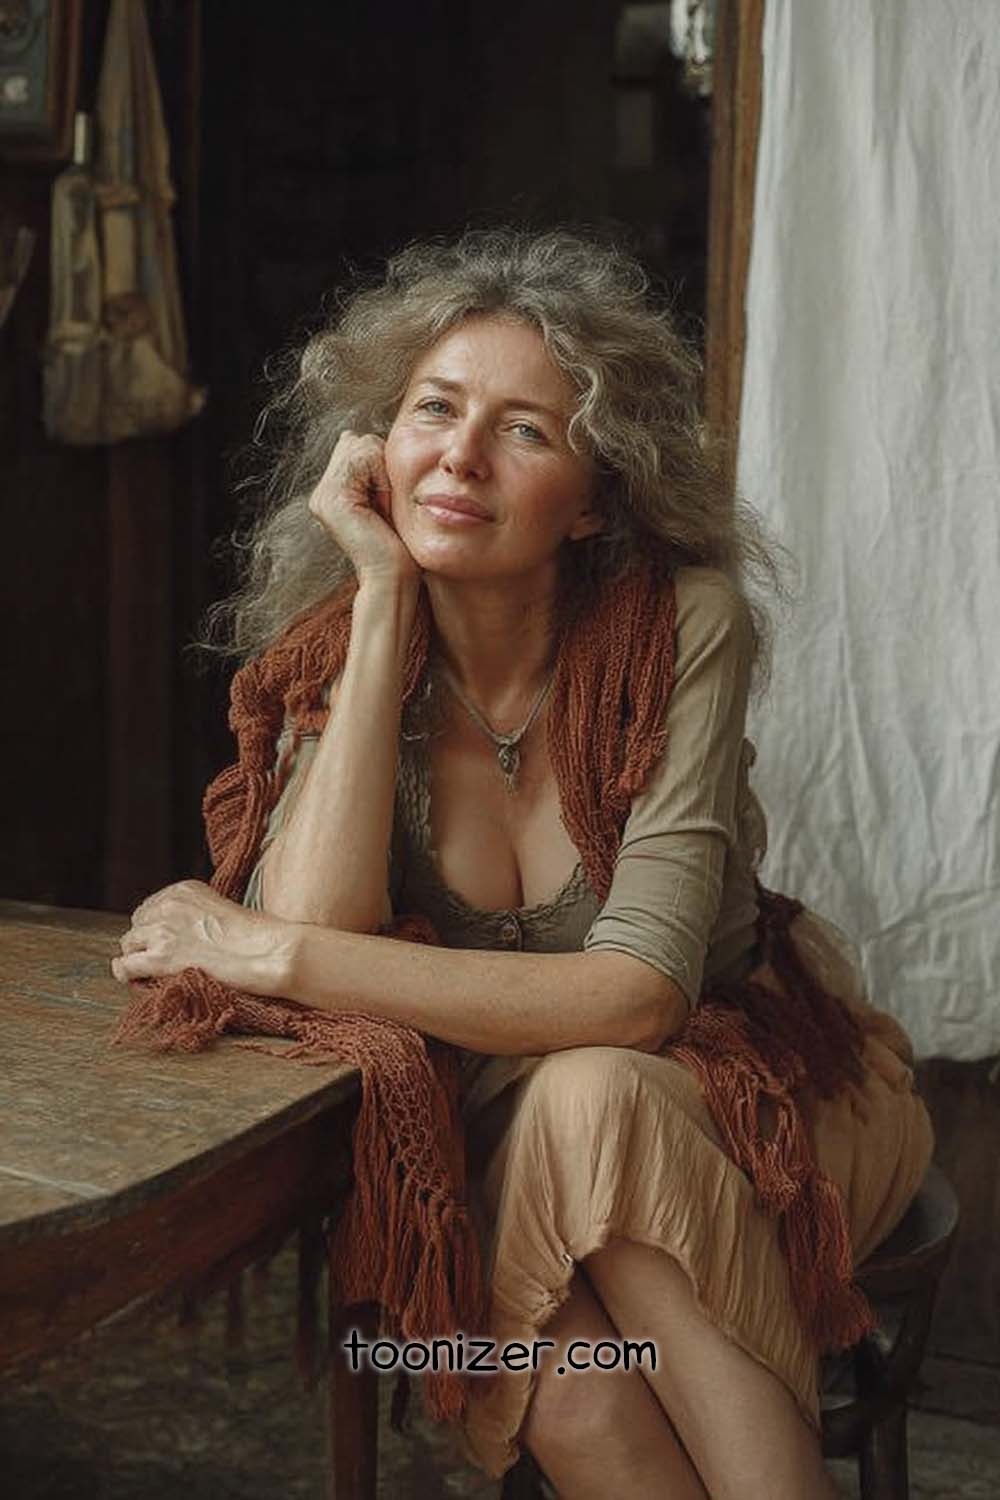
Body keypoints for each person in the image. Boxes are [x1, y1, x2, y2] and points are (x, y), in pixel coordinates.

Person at [112, 229, 933, 1499]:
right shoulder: (338, 645)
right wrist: (384, 602)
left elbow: (641, 999)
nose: (460, 454)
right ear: (379, 444)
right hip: (492, 1152)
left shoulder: (678, 624)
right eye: (433, 410)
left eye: (526, 431)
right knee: (571, 1363)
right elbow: (324, 914)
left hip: (745, 1107)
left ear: (597, 496)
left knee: (590, 1095)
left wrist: (273, 953)